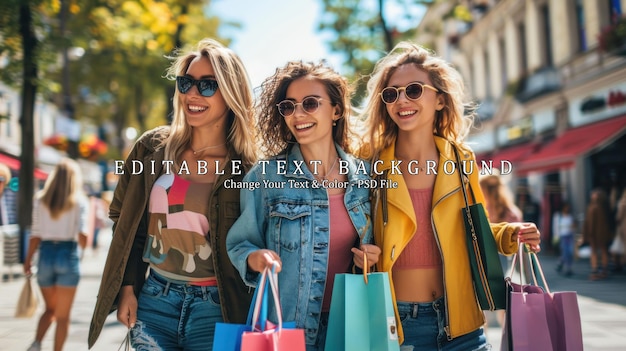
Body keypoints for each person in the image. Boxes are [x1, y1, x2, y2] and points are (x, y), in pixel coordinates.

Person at [359, 41, 541, 350]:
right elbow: (351, 230)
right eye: (391, 94)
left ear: (440, 100)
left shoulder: (461, 160)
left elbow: (475, 228)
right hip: (398, 325)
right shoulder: (369, 162)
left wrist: (511, 233)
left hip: (461, 323)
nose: (401, 100)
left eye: (414, 90)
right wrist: (363, 253)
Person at [87, 38, 257, 350]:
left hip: (218, 310)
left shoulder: (248, 170)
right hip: (154, 300)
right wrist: (128, 286)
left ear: (231, 94)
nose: (192, 93)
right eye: (186, 82)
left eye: (207, 85)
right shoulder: (151, 149)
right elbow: (125, 223)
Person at [226, 60, 377, 350]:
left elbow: (381, 242)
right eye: (289, 106)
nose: (298, 114)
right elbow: (240, 244)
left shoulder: (366, 177)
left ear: (336, 110)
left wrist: (374, 255)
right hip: (286, 329)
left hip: (351, 328)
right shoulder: (264, 176)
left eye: (310, 103)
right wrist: (254, 257)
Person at [23, 158, 89, 351]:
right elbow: (83, 237)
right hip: (67, 255)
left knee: (50, 309)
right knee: (63, 315)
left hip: (45, 255)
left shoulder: (40, 200)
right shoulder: (79, 201)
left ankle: (36, 344)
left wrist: (27, 261)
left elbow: (35, 234)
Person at [583, 188, 614, 280]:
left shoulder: (594, 207)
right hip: (602, 233)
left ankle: (595, 270)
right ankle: (603, 270)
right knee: (603, 250)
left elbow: (591, 222)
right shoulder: (603, 207)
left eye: (595, 194)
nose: (592, 195)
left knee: (595, 251)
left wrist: (588, 233)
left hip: (595, 233)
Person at [552, 202, 576, 277]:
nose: (567, 209)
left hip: (570, 236)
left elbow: (573, 227)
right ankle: (568, 268)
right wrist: (556, 236)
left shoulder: (570, 216)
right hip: (562, 236)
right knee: (566, 252)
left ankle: (561, 263)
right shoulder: (558, 216)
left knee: (570, 252)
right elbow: (555, 226)